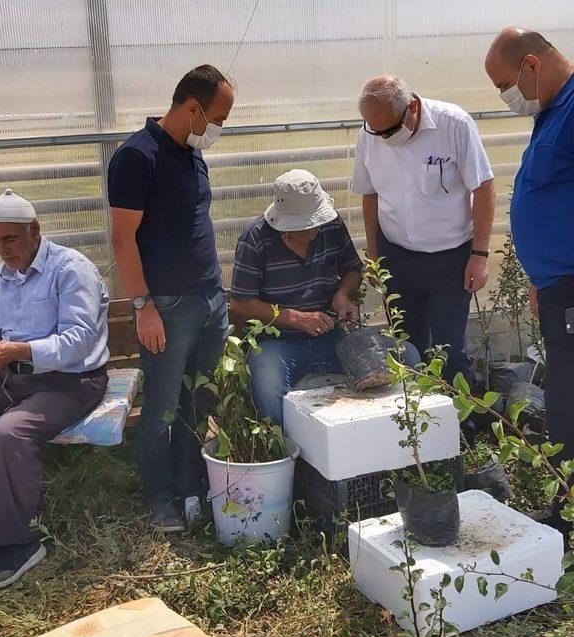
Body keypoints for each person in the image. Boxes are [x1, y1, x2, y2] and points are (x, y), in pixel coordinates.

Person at [0, 188, 109, 589]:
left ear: (34, 229)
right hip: (11, 375)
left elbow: (80, 341)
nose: (1, 250)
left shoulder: (70, 269)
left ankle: (18, 543)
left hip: (72, 381)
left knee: (10, 432)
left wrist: (21, 350)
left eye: (9, 239)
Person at [108, 65, 233, 533]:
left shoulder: (191, 153)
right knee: (161, 406)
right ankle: (160, 498)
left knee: (198, 400)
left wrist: (216, 295)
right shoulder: (137, 157)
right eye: (219, 117)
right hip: (167, 306)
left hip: (208, 299)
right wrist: (143, 307)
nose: (220, 127)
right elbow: (123, 239)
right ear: (193, 108)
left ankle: (190, 487)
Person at [230, 169, 420, 426]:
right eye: (308, 224)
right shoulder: (255, 238)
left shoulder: (331, 226)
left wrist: (343, 294)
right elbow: (241, 302)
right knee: (267, 390)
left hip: (331, 336)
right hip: (277, 343)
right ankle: (289, 455)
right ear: (286, 225)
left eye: (318, 220)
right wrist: (296, 319)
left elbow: (353, 268)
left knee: (408, 356)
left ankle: (398, 440)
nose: (316, 228)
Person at [352, 76, 496, 382]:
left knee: (449, 350)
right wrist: (376, 256)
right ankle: (415, 425)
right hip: (398, 257)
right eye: (374, 131)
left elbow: (483, 187)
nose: (382, 137)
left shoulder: (454, 124)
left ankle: (461, 422)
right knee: (406, 347)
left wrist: (480, 254)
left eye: (389, 130)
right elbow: (370, 195)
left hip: (451, 258)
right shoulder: (370, 133)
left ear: (412, 108)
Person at [485, 28, 574, 464]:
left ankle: (566, 512)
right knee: (563, 393)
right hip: (559, 287)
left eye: (504, 84)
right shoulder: (551, 112)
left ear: (532, 65)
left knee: (570, 404)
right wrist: (542, 280)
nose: (506, 95)